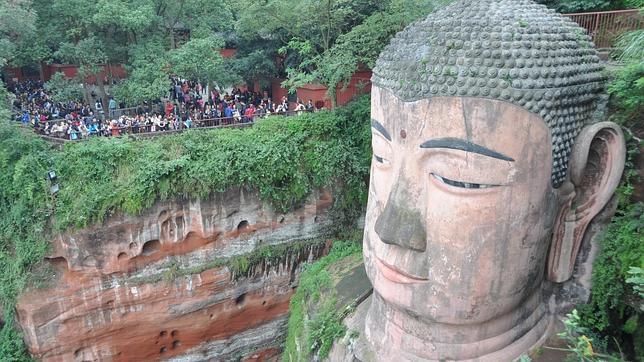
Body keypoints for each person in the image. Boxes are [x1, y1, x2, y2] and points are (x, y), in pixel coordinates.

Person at [337, 1, 628, 361]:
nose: (390, 228)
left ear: (586, 189)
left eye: (459, 179)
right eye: (381, 156)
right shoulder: (329, 316)